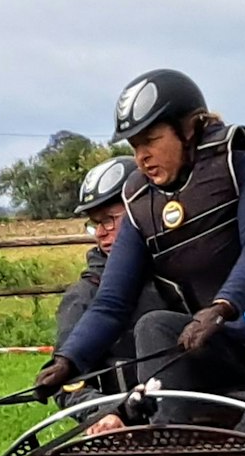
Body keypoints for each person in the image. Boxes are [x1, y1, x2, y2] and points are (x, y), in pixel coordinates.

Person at [34, 69, 245, 438]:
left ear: (189, 128)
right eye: (134, 146)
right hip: (231, 347)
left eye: (151, 139)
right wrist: (68, 361)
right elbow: (111, 303)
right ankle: (170, 441)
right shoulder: (139, 202)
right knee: (156, 326)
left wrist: (220, 308)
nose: (142, 156)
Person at [52, 155, 165, 420]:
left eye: (110, 219)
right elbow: (68, 383)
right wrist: (106, 413)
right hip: (128, 430)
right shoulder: (84, 295)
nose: (101, 232)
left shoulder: (182, 275)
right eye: (96, 223)